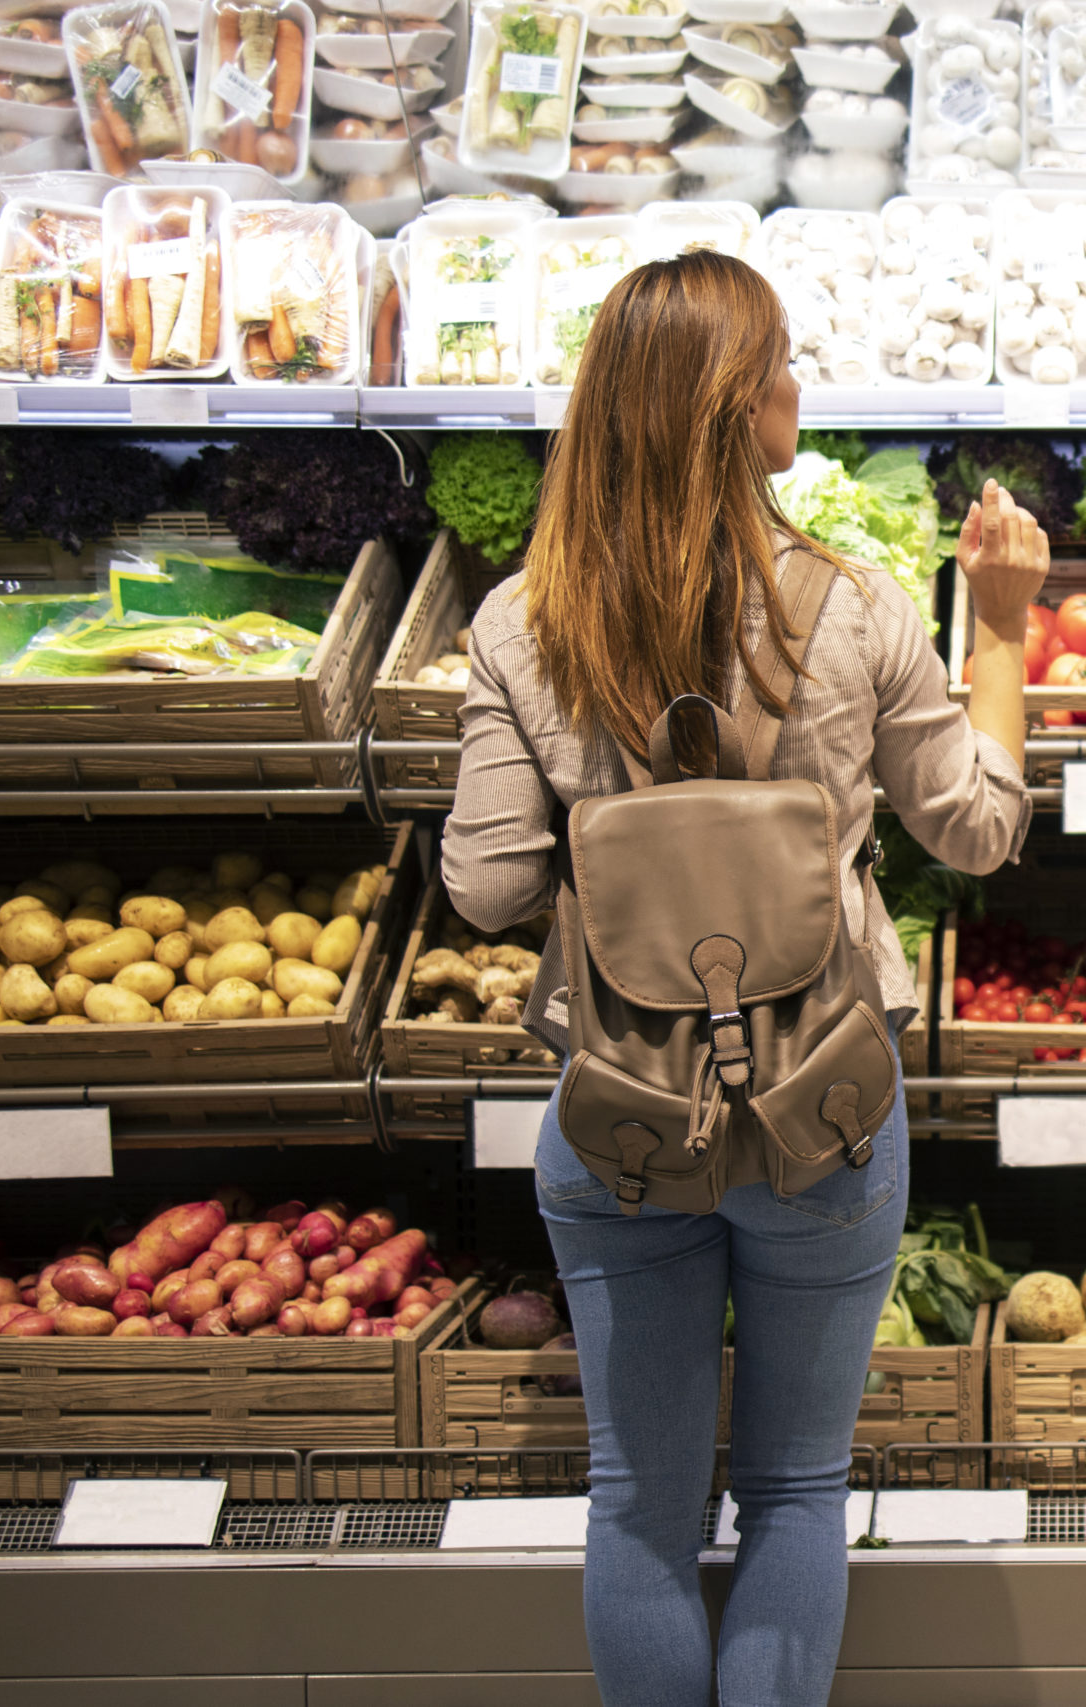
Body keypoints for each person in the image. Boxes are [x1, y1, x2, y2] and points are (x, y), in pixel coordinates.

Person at [440, 249, 1044, 1706]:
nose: (797, 385)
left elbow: (488, 885)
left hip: (622, 1115)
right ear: (728, 411)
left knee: (638, 1506)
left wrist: (616, 837)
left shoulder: (525, 626)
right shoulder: (855, 608)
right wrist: (1007, 625)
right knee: (791, 1490)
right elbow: (974, 830)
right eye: (776, 363)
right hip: (821, 1109)